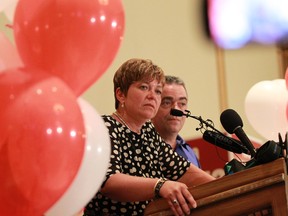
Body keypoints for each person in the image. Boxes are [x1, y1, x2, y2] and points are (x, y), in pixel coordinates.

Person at [84, 58, 215, 216]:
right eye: (144, 87)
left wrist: (227, 186)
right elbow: (109, 181)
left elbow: (182, 170)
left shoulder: (148, 132)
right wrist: (160, 185)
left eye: (158, 91)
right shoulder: (105, 127)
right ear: (120, 94)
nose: (153, 96)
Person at [152, 75, 201, 168]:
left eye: (182, 103)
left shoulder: (190, 152)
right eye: (167, 102)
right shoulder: (141, 146)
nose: (176, 109)